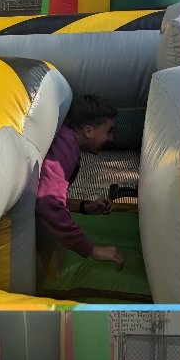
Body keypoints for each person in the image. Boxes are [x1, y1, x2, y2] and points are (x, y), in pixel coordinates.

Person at [37, 95, 124, 275]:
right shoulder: (64, 151)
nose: (111, 138)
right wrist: (92, 250)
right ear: (88, 131)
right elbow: (47, 203)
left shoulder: (66, 142)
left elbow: (46, 191)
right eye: (108, 131)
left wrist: (85, 207)